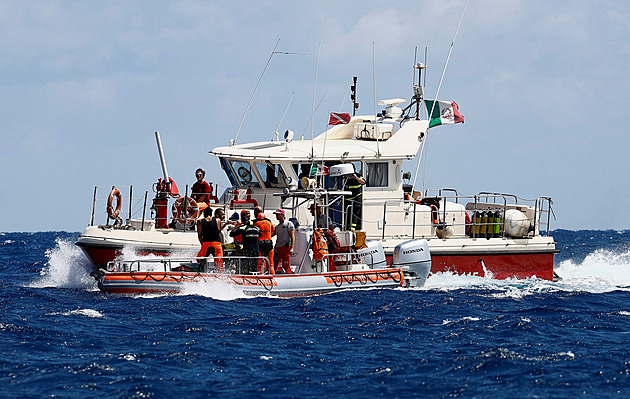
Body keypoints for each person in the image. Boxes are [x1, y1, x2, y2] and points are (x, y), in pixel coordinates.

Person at [229, 210, 261, 274]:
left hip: (248, 251)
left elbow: (231, 234)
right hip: (256, 251)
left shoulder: (243, 228)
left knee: (243, 266)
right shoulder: (257, 228)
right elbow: (260, 234)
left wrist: (238, 226)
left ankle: (243, 276)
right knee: (253, 268)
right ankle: (254, 278)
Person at [196, 207, 227, 272]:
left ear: (204, 214)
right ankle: (221, 275)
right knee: (219, 262)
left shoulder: (200, 221)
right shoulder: (218, 220)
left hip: (206, 244)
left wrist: (202, 244)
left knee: (200, 259)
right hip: (216, 244)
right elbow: (219, 231)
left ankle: (200, 272)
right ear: (211, 213)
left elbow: (199, 234)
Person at [253, 206, 275, 274]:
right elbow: (273, 230)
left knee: (259, 263)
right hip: (269, 244)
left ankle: (258, 276)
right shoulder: (269, 221)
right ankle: (273, 276)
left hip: (260, 245)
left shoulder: (255, 222)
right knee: (270, 263)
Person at [272, 209, 295, 274]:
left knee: (286, 264)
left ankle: (289, 275)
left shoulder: (289, 224)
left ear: (282, 215)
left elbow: (292, 236)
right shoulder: (278, 226)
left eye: (278, 214)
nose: (276, 216)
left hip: (285, 247)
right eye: (276, 215)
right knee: (275, 263)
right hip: (278, 247)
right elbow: (272, 234)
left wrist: (292, 248)